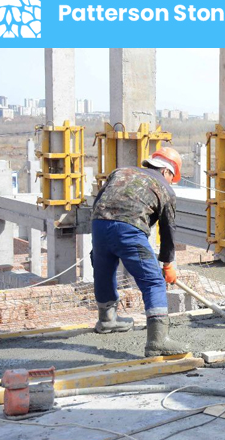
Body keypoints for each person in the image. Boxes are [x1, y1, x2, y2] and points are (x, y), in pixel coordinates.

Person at [91, 146, 190, 357]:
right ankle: (158, 340)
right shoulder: (165, 188)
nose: (171, 182)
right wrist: (167, 264)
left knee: (104, 269)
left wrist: (102, 236)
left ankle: (107, 320)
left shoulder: (121, 172)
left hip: (99, 224)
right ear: (167, 172)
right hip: (129, 228)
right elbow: (168, 230)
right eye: (172, 177)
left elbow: (100, 200)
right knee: (153, 281)